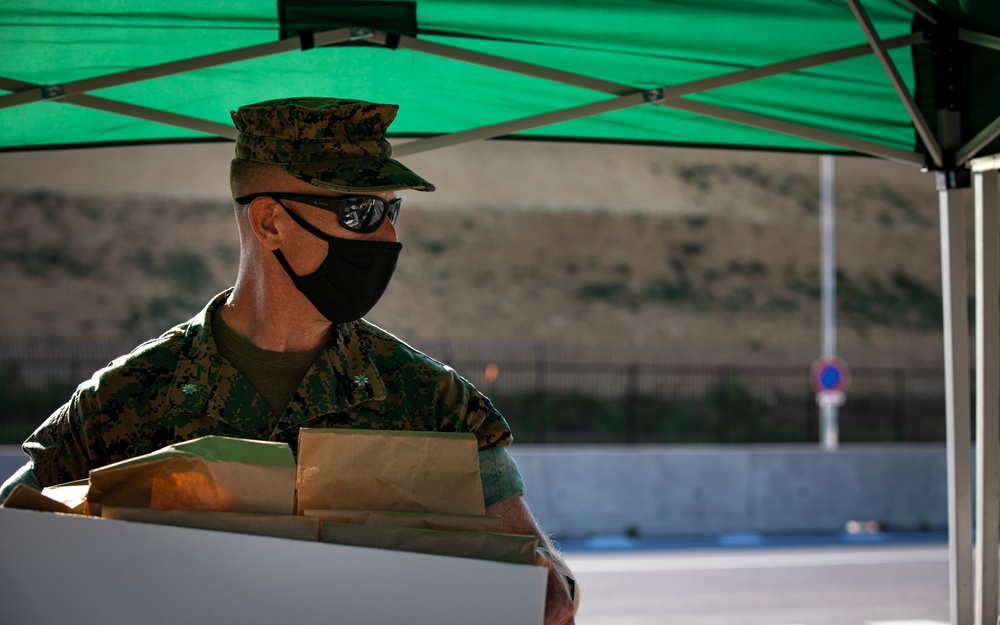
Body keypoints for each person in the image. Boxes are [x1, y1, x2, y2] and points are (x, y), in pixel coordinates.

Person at [0, 97, 578, 623]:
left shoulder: (433, 402)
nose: (386, 239)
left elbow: (546, 588)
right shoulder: (124, 400)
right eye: (358, 214)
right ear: (270, 221)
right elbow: (14, 555)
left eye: (391, 210)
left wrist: (544, 592)